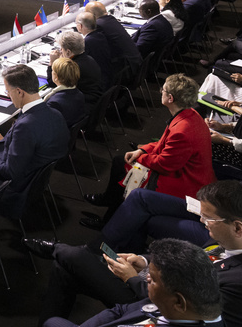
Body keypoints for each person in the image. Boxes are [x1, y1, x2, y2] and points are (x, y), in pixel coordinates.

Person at [11, 181, 242, 327]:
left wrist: (136, 280)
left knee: (72, 258)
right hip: (161, 296)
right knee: (67, 268)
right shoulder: (238, 244)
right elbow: (191, 267)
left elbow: (183, 308)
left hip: (164, 316)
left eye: (209, 218)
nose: (203, 223)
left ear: (238, 227)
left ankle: (56, 249)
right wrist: (143, 263)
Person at [102, 125, 242, 258]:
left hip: (225, 240)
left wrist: (207, 209)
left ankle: (117, 257)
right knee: (141, 197)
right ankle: (107, 249)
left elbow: (235, 228)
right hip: (221, 215)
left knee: (146, 218)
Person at [38, 239, 238, 327]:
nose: (145, 279)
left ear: (178, 301)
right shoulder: (192, 306)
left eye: (152, 279)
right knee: (53, 324)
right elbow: (121, 310)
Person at [81, 75, 214, 230]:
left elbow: (164, 164)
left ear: (170, 98)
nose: (160, 91)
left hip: (184, 182)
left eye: (162, 89)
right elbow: (165, 143)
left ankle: (109, 220)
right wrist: (142, 150)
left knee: (124, 167)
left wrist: (142, 157)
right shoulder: (190, 114)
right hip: (184, 172)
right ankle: (110, 201)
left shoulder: (182, 130)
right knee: (122, 163)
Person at [0, 65, 69, 215]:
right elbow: (30, 146)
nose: (8, 95)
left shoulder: (26, 126)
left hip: (14, 188)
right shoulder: (55, 113)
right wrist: (5, 139)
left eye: (8, 91)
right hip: (33, 179)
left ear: (19, 92)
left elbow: (9, 172)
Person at [47, 30, 105, 110]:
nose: (60, 51)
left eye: (62, 49)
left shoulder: (73, 67)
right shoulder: (89, 58)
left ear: (68, 52)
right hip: (95, 101)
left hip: (82, 105)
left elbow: (53, 83)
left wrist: (52, 63)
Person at [43, 56, 87, 128]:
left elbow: (45, 125)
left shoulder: (54, 103)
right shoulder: (79, 94)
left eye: (52, 70)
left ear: (56, 77)